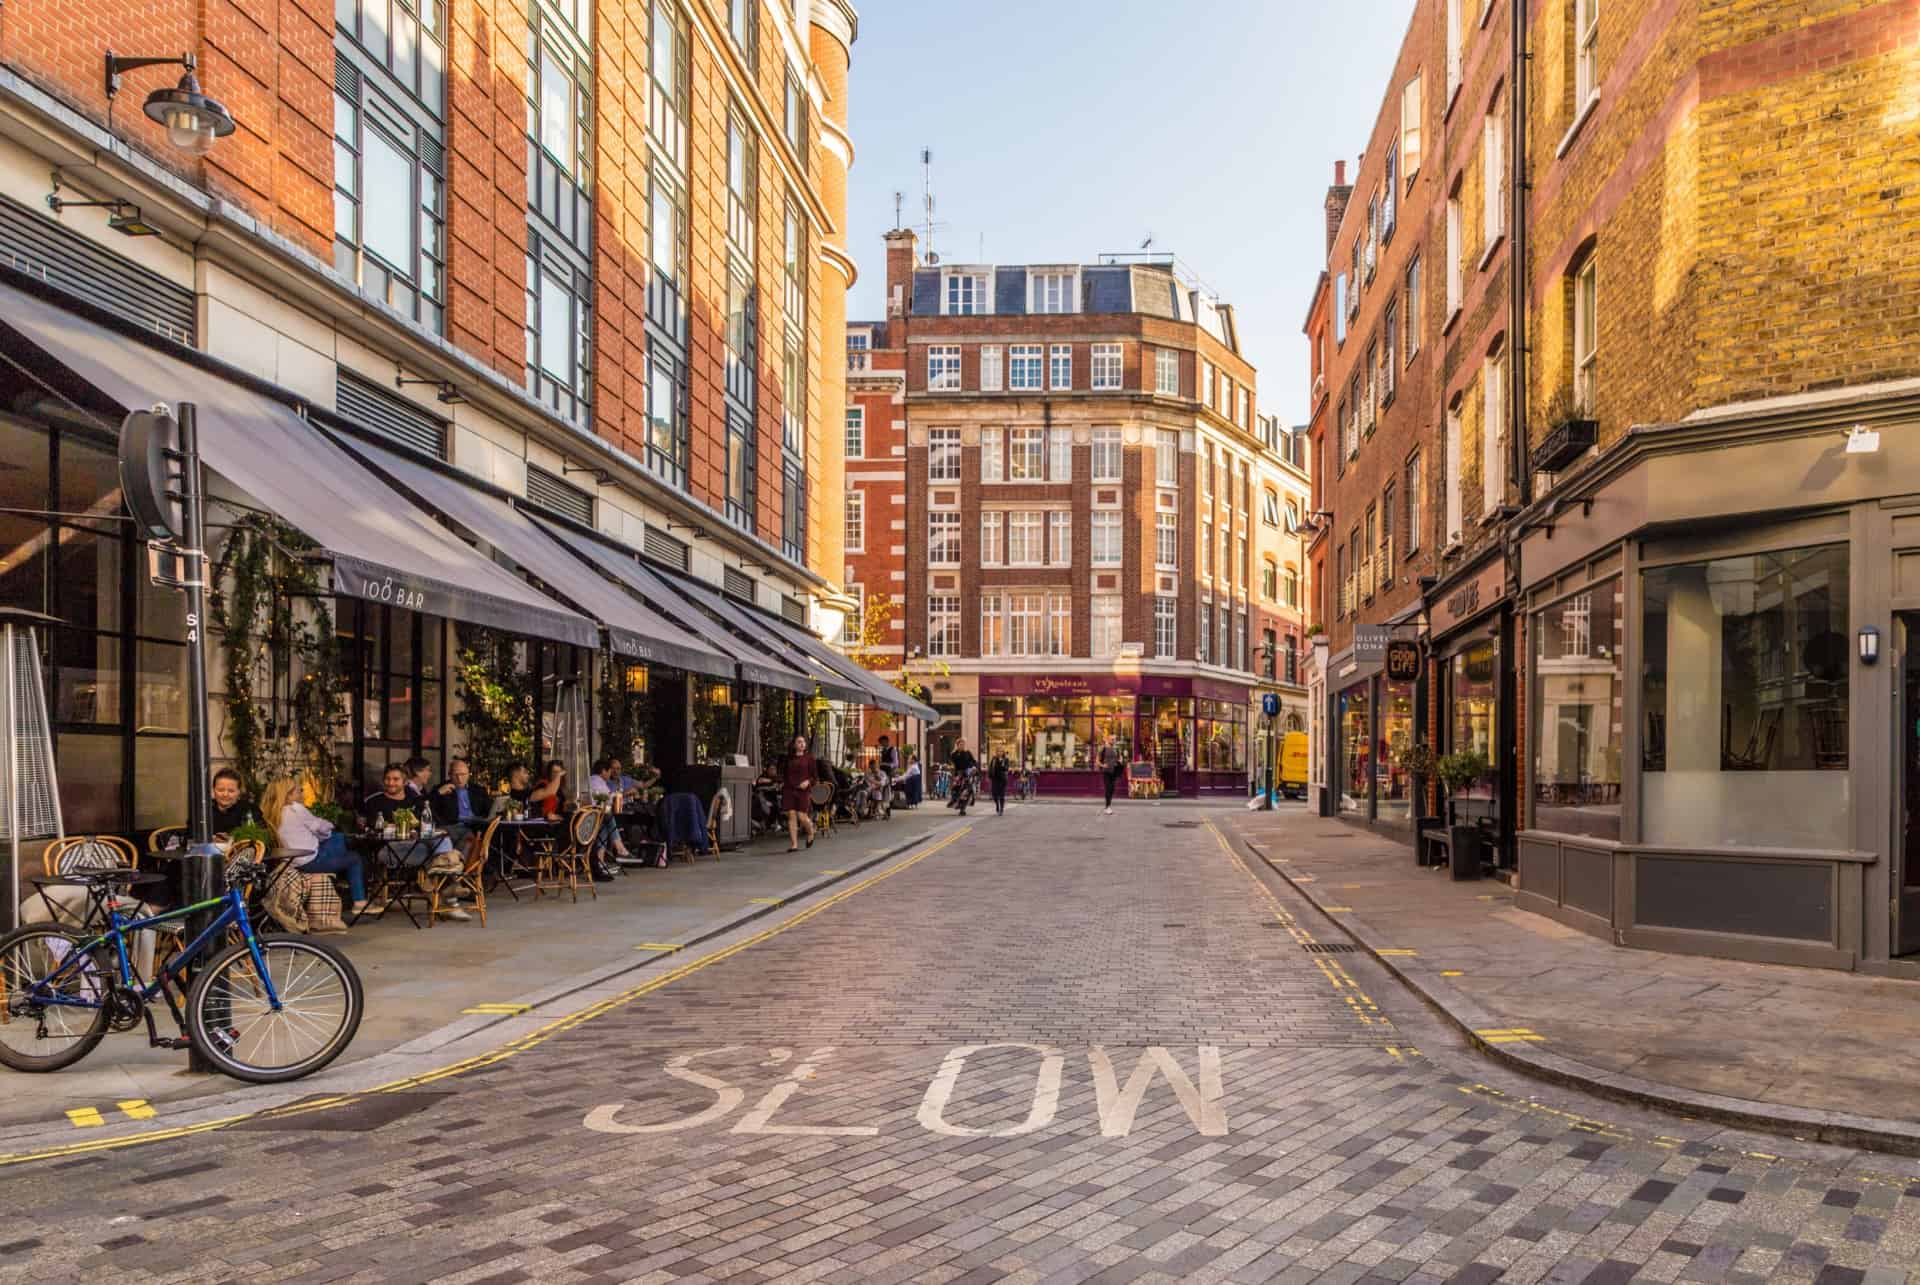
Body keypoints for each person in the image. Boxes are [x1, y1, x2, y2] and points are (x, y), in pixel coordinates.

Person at [262, 776, 371, 923]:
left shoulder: (273, 813)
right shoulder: (295, 809)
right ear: (289, 794)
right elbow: (321, 827)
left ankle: (347, 882)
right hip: (311, 861)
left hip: (293, 861)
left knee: (342, 842)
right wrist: (330, 826)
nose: (302, 793)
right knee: (353, 855)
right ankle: (359, 901)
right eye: (299, 790)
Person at [781, 735, 818, 851]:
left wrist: (808, 782)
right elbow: (783, 774)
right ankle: (794, 844)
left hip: (803, 791)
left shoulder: (809, 758)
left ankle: (811, 832)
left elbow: (815, 777)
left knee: (802, 817)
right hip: (789, 790)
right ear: (794, 745)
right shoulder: (788, 759)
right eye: (799, 742)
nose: (802, 744)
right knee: (791, 816)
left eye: (803, 742)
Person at [209, 767, 258, 838]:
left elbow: (260, 839)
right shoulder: (203, 811)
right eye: (220, 790)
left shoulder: (250, 810)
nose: (225, 794)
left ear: (239, 792)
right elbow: (190, 837)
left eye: (231, 791)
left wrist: (232, 838)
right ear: (213, 789)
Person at [948, 740, 978, 815]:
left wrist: (973, 767)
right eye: (960, 744)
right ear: (957, 745)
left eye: (963, 744)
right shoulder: (954, 754)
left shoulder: (967, 753)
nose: (962, 746)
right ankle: (954, 801)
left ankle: (962, 809)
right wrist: (950, 767)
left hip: (967, 775)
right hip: (958, 775)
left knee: (966, 792)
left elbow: (974, 761)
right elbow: (951, 763)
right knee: (955, 790)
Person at [1099, 737, 1124, 815]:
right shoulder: (1103, 749)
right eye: (1112, 739)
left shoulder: (1116, 749)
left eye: (1115, 739)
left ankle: (1108, 805)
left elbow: (1120, 758)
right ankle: (1107, 807)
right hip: (1106, 771)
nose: (1113, 740)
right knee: (1108, 788)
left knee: (1112, 788)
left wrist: (1120, 760)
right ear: (1108, 740)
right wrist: (1103, 765)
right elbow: (1097, 760)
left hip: (1114, 771)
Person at [988, 750, 1010, 816]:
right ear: (996, 752)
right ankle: (997, 805)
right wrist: (989, 776)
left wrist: (1001, 762)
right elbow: (990, 768)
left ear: (1003, 753)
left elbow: (1006, 768)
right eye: (998, 751)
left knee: (1001, 795)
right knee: (994, 794)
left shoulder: (1005, 759)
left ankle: (1001, 809)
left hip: (1002, 780)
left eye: (1001, 751)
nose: (999, 753)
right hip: (994, 779)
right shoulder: (994, 759)